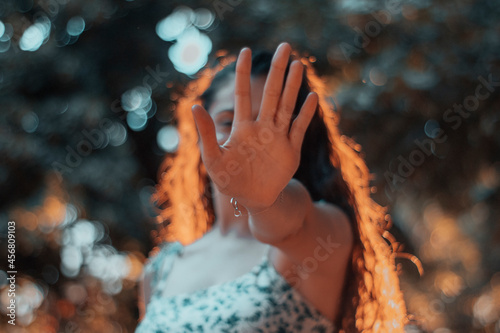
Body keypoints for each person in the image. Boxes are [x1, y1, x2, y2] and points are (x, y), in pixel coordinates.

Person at [136, 42, 412, 332]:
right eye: (228, 121)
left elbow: (289, 223)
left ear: (300, 139)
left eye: (268, 128)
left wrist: (262, 200)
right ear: (198, 133)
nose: (247, 141)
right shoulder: (159, 272)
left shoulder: (324, 234)